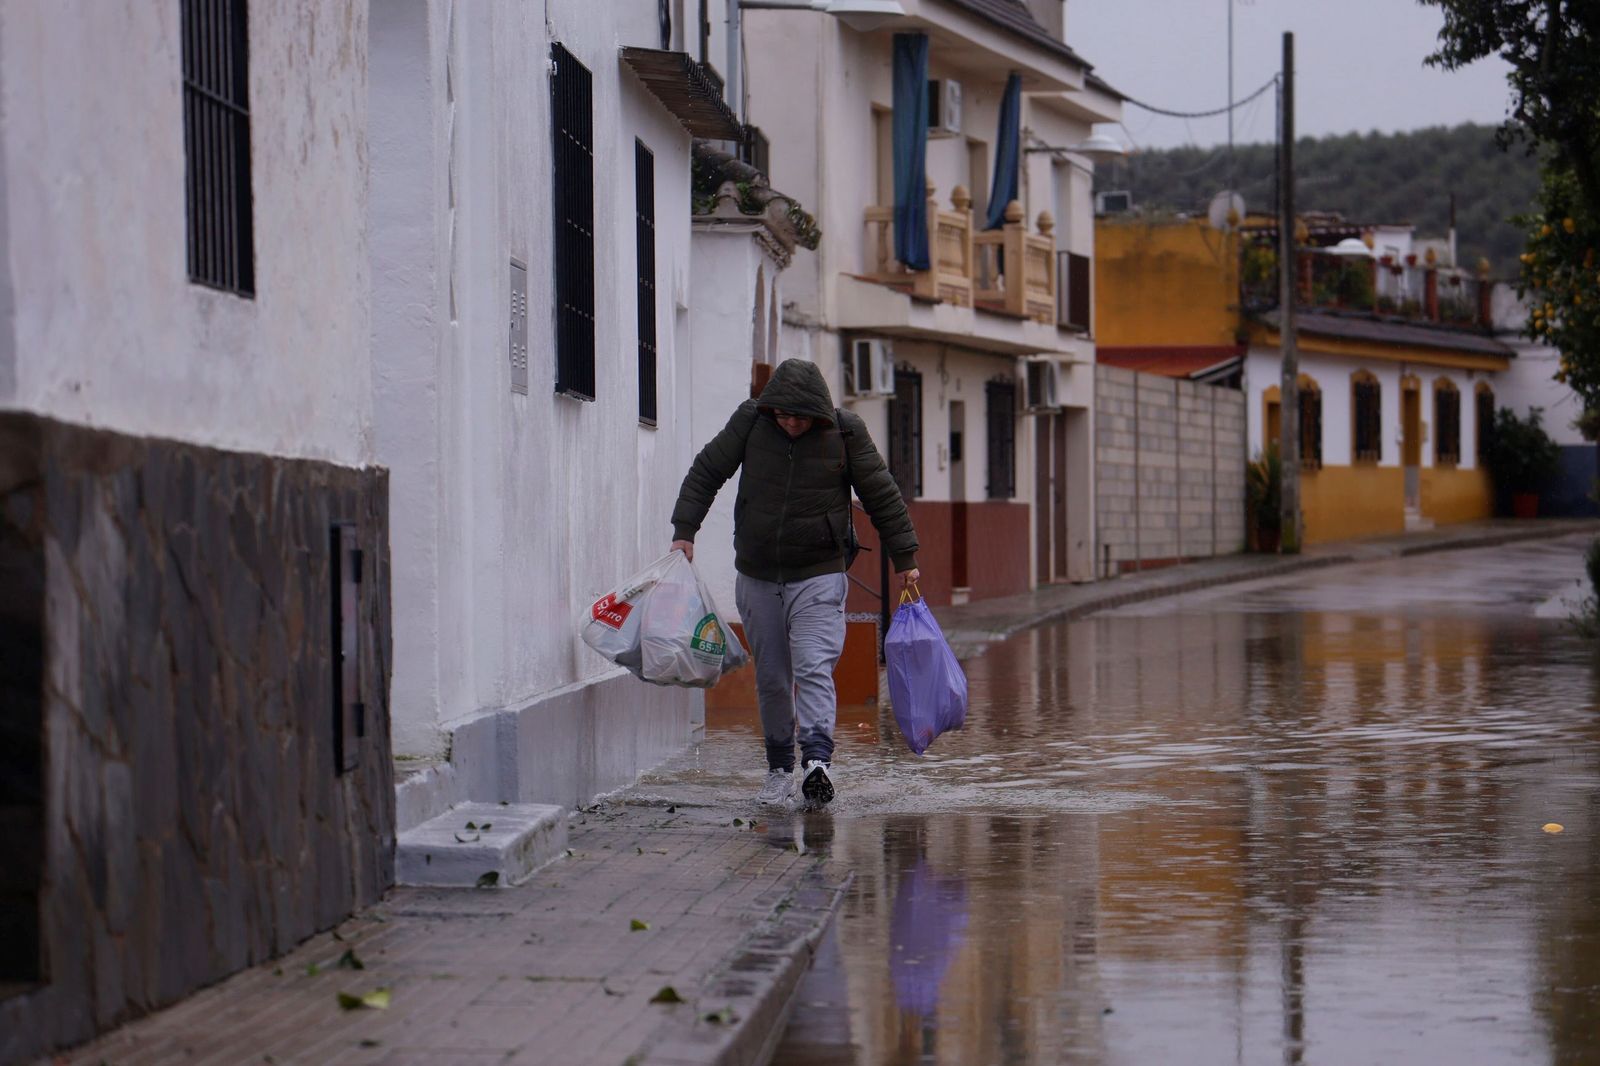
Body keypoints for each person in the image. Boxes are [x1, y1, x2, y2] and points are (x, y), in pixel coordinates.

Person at [670, 358, 920, 808]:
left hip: (819, 573)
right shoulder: (751, 422)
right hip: (758, 573)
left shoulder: (845, 432)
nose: (789, 422)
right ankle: (780, 769)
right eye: (782, 415)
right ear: (770, 410)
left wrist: (905, 558)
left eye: (799, 417)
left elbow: (881, 493)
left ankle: (817, 763)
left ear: (818, 414)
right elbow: (708, 470)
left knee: (813, 665)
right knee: (771, 677)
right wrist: (684, 530)